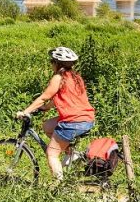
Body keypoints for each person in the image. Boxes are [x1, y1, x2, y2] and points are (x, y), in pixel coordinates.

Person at [15, 46, 95, 180]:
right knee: (47, 126)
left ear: (57, 63)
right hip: (87, 119)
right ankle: (71, 154)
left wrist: (25, 112)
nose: (51, 64)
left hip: (73, 122)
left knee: (51, 154)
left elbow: (44, 97)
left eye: (52, 61)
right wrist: (45, 108)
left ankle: (59, 188)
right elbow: (62, 97)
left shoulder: (58, 78)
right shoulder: (76, 77)